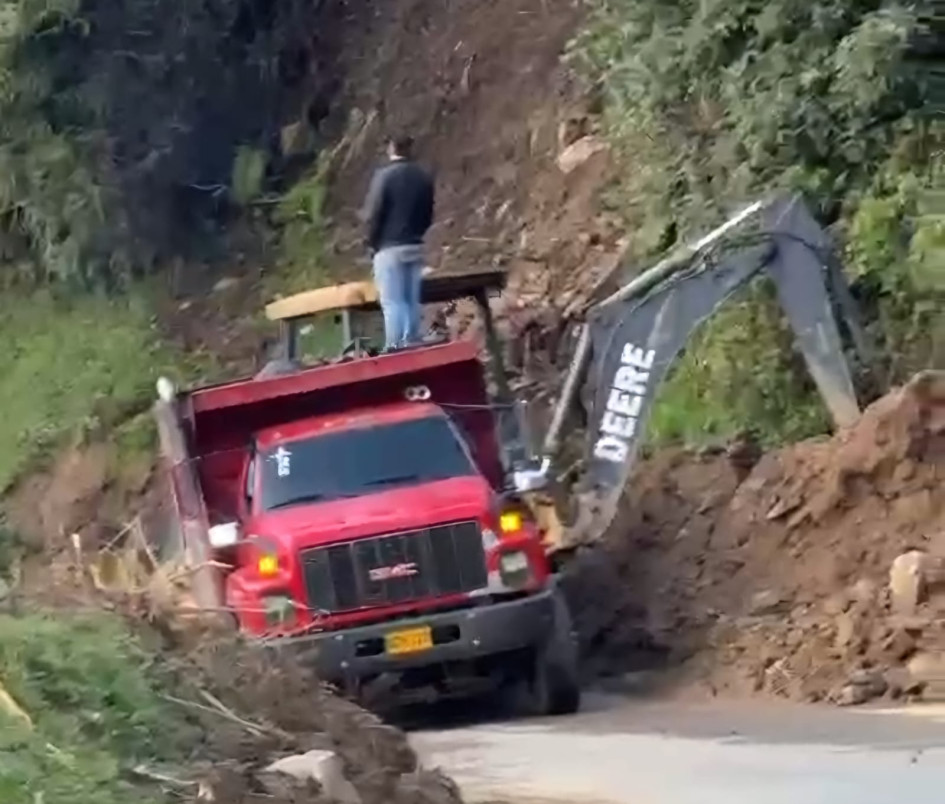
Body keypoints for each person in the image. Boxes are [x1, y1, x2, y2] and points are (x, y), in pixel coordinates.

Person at [361, 134, 435, 351]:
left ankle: (394, 345)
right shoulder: (423, 177)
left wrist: (370, 242)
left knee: (393, 301)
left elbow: (374, 214)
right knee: (411, 299)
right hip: (415, 245)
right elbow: (428, 213)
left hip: (389, 247)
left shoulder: (384, 177)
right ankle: (412, 339)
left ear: (392, 148)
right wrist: (418, 233)